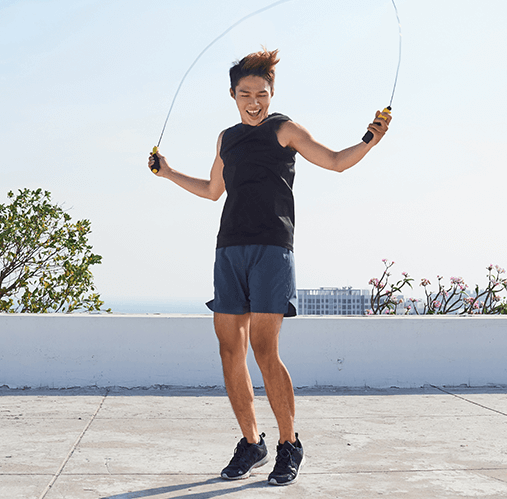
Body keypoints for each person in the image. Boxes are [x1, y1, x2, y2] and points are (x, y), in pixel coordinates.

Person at [148, 47, 390, 486]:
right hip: (229, 249)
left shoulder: (284, 129)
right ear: (233, 94)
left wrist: (371, 138)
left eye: (262, 93)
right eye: (246, 93)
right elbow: (211, 190)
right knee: (229, 352)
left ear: (272, 92)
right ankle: (251, 442)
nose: (254, 101)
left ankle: (288, 443)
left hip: (272, 248)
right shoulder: (227, 138)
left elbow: (335, 161)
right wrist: (167, 173)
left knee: (264, 350)